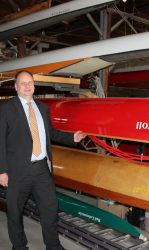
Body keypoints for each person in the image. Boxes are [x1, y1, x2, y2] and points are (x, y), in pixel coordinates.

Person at [0, 71, 85, 250]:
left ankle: (53, 246)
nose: (27, 86)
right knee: (15, 213)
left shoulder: (42, 107)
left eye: (30, 82)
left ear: (34, 85)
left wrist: (72, 139)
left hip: (41, 169)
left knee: (50, 209)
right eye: (22, 83)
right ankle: (19, 247)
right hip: (16, 171)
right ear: (16, 87)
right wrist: (2, 170)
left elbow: (50, 134)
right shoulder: (6, 108)